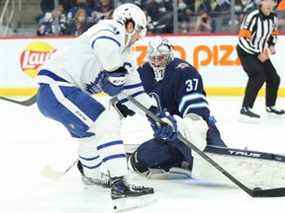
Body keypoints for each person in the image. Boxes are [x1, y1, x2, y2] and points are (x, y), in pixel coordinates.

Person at [35, 3, 177, 202]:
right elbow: (109, 56)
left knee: (91, 133)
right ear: (129, 24)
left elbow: (136, 93)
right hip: (57, 86)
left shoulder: (126, 55)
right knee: (107, 122)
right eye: (138, 30)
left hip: (62, 92)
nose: (138, 37)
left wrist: (158, 116)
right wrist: (115, 73)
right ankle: (120, 183)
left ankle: (92, 175)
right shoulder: (109, 28)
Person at [116, 37, 227, 179]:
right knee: (139, 162)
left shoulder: (184, 71)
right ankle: (181, 161)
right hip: (166, 137)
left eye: (161, 58)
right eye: (153, 58)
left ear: (169, 56)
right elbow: (128, 101)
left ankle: (188, 159)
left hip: (197, 133)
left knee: (217, 163)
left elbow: (195, 108)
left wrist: (188, 125)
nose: (156, 63)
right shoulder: (142, 73)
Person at [237, 0, 285, 121]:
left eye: (273, 1)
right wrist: (257, 53)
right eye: (267, 0)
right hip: (246, 51)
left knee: (274, 78)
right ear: (262, 2)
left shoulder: (273, 18)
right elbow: (242, 38)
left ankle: (270, 106)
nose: (270, 4)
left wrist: (271, 46)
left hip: (260, 52)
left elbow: (272, 35)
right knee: (258, 75)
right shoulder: (252, 16)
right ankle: (245, 108)